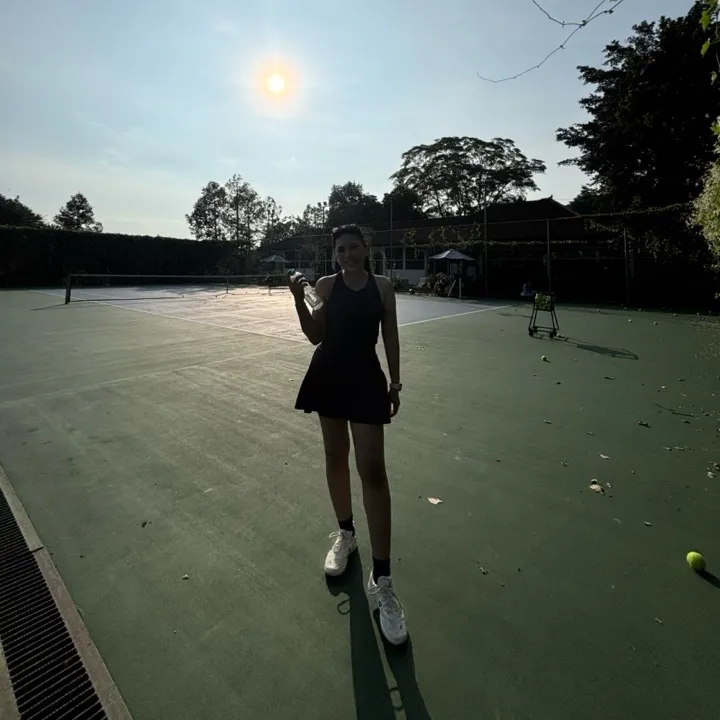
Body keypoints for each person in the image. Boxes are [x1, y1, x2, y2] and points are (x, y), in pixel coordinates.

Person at [288, 224, 407, 646]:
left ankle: (383, 579)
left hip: (367, 380)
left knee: (373, 470)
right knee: (335, 456)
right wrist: (297, 299)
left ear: (365, 248)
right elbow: (315, 335)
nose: (347, 254)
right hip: (328, 376)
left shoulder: (383, 287)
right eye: (340, 249)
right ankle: (346, 535)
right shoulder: (325, 286)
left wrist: (396, 383)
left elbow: (390, 335)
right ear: (334, 253)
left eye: (353, 247)